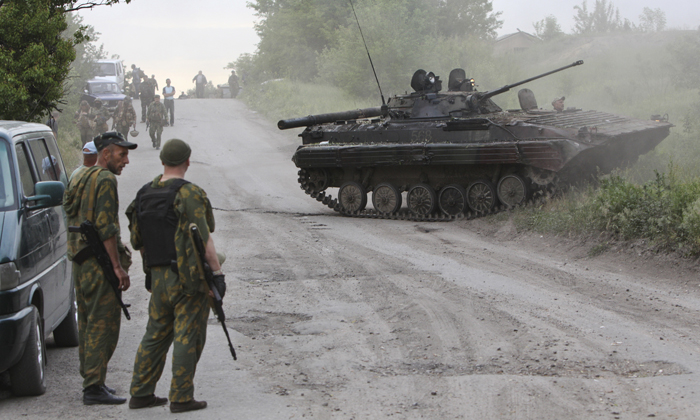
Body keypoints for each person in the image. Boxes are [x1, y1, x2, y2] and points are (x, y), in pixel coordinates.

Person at [126, 138, 224, 413]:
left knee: (155, 333)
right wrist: (216, 274)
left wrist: (151, 267)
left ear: (162, 162)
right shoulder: (190, 194)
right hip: (188, 278)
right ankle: (181, 397)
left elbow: (137, 240)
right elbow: (204, 239)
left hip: (157, 276)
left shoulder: (144, 193)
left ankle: (140, 393)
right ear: (187, 162)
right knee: (188, 335)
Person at [63, 131, 137, 405]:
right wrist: (117, 267)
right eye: (122, 154)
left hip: (80, 260)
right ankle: (93, 387)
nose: (126, 160)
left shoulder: (81, 175)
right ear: (106, 154)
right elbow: (106, 227)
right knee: (103, 323)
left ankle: (93, 380)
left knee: (86, 320)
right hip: (97, 261)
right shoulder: (105, 179)